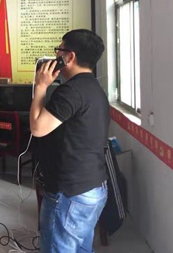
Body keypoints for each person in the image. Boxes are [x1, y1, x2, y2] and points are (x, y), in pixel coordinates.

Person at [30, 29, 109, 253]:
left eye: (59, 50)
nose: (56, 55)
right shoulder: (94, 87)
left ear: (69, 56)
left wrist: (41, 87)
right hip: (92, 186)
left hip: (70, 193)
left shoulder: (71, 91)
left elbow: (37, 128)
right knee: (81, 248)